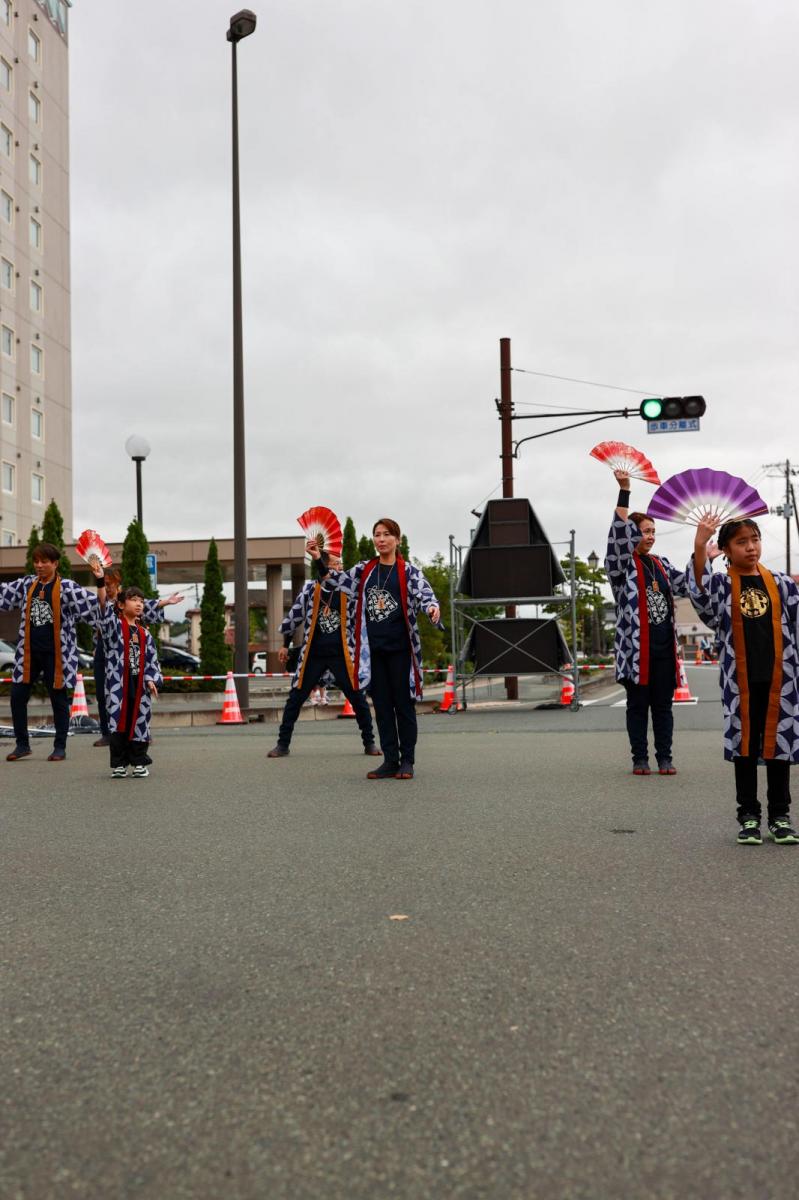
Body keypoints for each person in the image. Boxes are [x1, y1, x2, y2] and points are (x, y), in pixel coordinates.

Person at [689, 516, 799, 845]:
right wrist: (699, 547)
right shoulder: (722, 585)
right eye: (741, 542)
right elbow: (700, 597)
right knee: (745, 748)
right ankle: (748, 815)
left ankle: (780, 816)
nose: (751, 547)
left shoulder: (783, 584)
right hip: (740, 683)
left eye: (754, 539)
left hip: (783, 679)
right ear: (725, 550)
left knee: (779, 747)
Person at [308, 518, 441, 780]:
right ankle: (390, 760)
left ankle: (407, 761)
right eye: (377, 535)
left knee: (403, 704)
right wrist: (318, 558)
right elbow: (335, 581)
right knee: (381, 705)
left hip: (401, 649)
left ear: (397, 540)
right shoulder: (365, 570)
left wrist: (432, 608)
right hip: (373, 651)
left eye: (386, 534)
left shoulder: (408, 571)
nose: (381, 539)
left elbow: (426, 596)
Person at [604, 470, 689, 776]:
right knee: (638, 708)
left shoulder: (662, 565)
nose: (650, 536)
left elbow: (688, 583)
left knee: (664, 708)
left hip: (664, 649)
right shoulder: (622, 567)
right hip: (635, 653)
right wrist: (625, 491)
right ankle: (640, 759)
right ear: (632, 535)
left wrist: (706, 550)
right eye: (644, 531)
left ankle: (665, 758)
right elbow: (616, 539)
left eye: (653, 531)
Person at [267, 555, 380, 758]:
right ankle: (282, 744)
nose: (340, 568)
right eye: (336, 564)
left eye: (341, 564)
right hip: (313, 653)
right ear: (324, 566)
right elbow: (295, 616)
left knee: (357, 697)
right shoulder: (310, 589)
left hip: (342, 653)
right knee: (295, 697)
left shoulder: (347, 588)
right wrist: (285, 645)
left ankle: (369, 743)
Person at [0, 543, 101, 762]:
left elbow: (95, 607)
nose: (39, 565)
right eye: (36, 561)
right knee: (17, 697)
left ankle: (60, 746)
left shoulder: (68, 587)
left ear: (55, 564)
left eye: (44, 561)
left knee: (58, 700)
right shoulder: (27, 584)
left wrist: (101, 582)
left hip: (57, 653)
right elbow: (3, 595)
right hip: (28, 652)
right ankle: (22, 744)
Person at [91, 570, 182, 748]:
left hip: (128, 649)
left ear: (117, 585)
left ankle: (139, 732)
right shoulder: (104, 604)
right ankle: (108, 733)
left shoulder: (127, 601)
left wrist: (165, 602)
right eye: (105, 585)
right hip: (106, 650)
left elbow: (144, 605)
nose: (108, 588)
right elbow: (101, 606)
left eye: (110, 585)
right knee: (104, 695)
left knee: (136, 693)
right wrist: (99, 581)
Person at [96, 581, 163, 779]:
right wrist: (100, 581)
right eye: (133, 600)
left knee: (140, 721)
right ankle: (119, 764)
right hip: (118, 685)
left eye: (141, 601)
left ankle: (139, 762)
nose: (139, 604)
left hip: (140, 684)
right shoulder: (114, 627)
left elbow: (152, 660)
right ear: (121, 605)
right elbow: (102, 608)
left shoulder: (145, 633)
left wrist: (152, 680)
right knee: (118, 722)